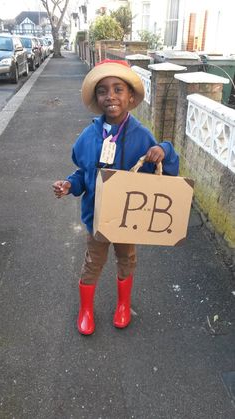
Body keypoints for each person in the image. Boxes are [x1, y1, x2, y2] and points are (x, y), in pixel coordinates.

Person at [53, 59, 179, 336]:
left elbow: (166, 170)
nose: (110, 96)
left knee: (127, 259)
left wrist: (164, 150)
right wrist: (69, 186)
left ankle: (124, 304)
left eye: (118, 89)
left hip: (128, 219)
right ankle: (85, 309)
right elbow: (82, 173)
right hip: (97, 217)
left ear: (130, 97)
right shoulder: (88, 136)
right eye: (103, 90)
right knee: (92, 263)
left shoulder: (142, 136)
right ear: (97, 99)